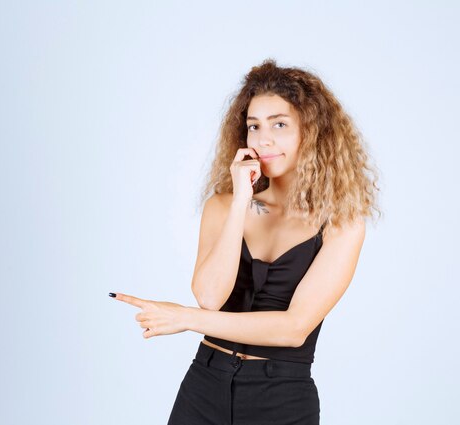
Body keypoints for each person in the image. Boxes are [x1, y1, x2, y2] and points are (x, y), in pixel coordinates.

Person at [108, 58, 381, 425]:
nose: (263, 139)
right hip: (204, 384)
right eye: (254, 126)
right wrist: (240, 200)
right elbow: (210, 297)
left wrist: (187, 319)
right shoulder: (222, 206)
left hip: (281, 398)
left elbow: (294, 328)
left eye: (279, 124)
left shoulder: (342, 225)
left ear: (313, 133)